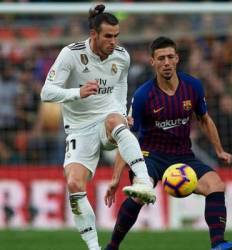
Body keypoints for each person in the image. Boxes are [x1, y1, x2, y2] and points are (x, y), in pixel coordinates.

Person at [104, 37, 232, 250]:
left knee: (216, 185)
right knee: (139, 194)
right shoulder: (144, 95)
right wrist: (116, 177)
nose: (166, 62)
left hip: (182, 156)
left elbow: (204, 119)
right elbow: (126, 137)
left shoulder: (193, 87)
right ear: (152, 62)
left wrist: (219, 150)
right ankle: (112, 247)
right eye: (161, 58)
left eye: (170, 57)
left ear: (177, 58)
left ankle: (218, 244)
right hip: (149, 156)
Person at [40, 4, 155, 250]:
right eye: (108, 36)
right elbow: (46, 92)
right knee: (74, 184)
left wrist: (122, 112)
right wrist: (77, 93)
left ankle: (144, 181)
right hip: (78, 129)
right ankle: (93, 247)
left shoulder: (122, 56)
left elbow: (121, 85)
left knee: (116, 121)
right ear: (94, 35)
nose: (113, 42)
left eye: (116, 36)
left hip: (106, 119)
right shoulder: (71, 54)